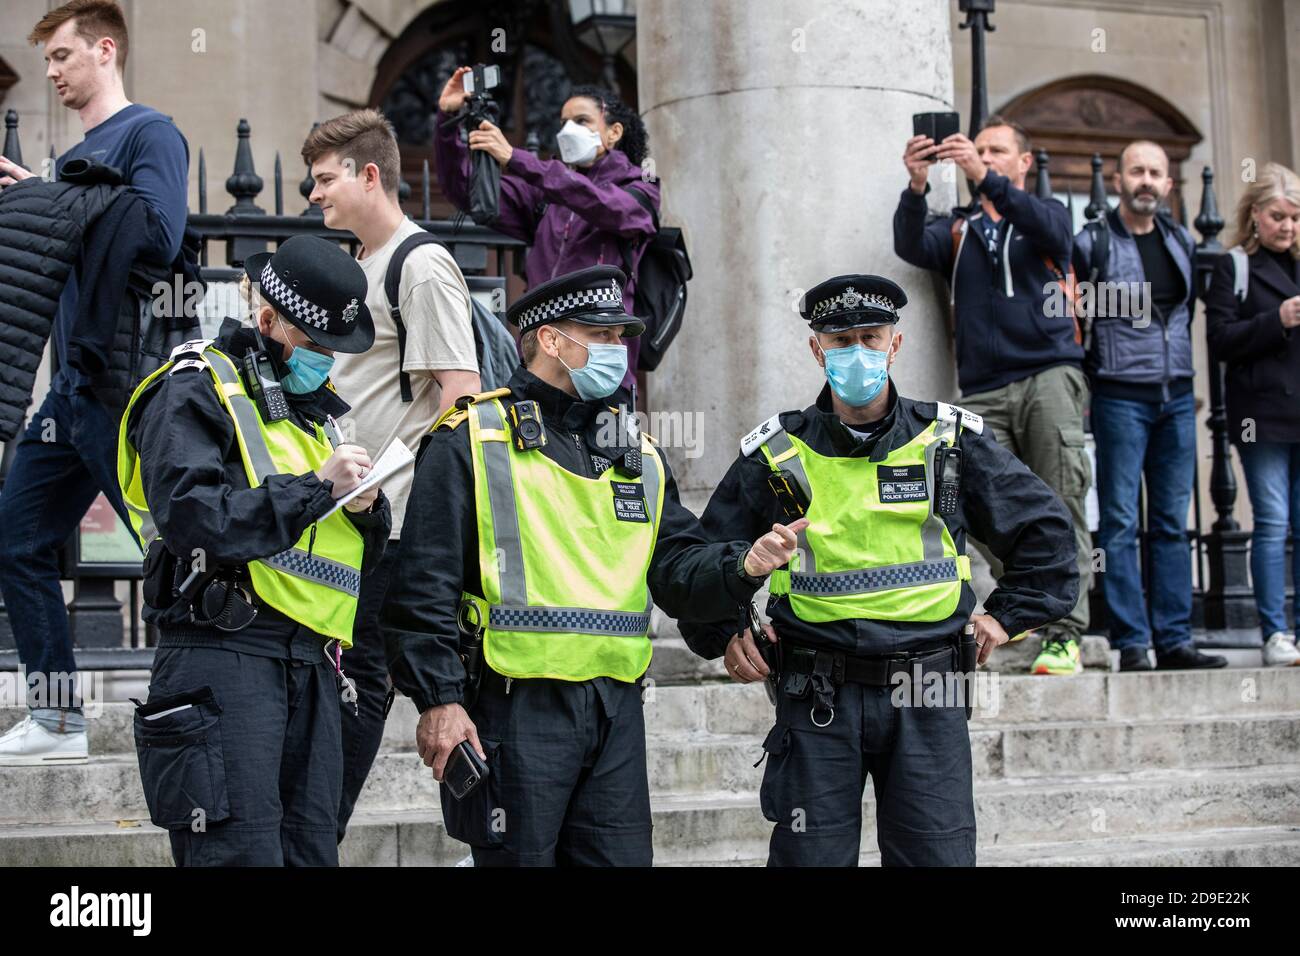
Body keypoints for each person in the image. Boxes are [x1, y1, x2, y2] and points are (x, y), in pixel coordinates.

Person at [382, 265, 804, 866]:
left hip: (615, 713)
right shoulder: (471, 437)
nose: (618, 353)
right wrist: (439, 702)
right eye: (602, 337)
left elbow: (679, 570)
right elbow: (422, 586)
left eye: (620, 338)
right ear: (552, 340)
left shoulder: (639, 455)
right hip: (513, 710)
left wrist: (743, 566)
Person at [680, 275, 1078, 867]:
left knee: (935, 858)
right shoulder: (776, 451)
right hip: (817, 691)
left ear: (895, 345)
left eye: (871, 338)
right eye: (840, 341)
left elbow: (1047, 535)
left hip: (930, 688)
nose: (856, 353)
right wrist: (725, 630)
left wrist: (1004, 617)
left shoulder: (948, 441)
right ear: (818, 350)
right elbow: (700, 561)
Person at [117, 236, 392, 866]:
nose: (328, 362)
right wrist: (315, 487)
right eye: (318, 345)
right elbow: (193, 518)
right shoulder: (192, 387)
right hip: (222, 654)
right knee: (237, 857)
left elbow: (343, 555)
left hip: (312, 663)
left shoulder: (310, 417)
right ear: (267, 320)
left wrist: (364, 509)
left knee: (310, 854)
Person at [0, 0, 189, 766]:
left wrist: (59, 195)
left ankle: (200, 705)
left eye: (63, 57)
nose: (52, 74)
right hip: (70, 391)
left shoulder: (151, 133)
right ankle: (56, 719)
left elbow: (159, 232)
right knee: (15, 540)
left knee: (173, 547)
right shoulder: (76, 156)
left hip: (124, 389)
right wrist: (40, 199)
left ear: (104, 51)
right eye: (45, 61)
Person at [301, 109, 481, 842]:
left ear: (370, 174)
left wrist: (425, 512)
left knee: (364, 677)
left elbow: (460, 395)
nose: (314, 194)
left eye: (325, 178)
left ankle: (317, 836)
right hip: (358, 515)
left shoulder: (420, 262)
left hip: (397, 518)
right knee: (361, 676)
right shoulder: (365, 264)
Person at [893, 113, 1091, 676]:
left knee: (1062, 498)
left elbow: (1057, 238)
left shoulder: (1043, 215)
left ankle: (1066, 633)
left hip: (1049, 374)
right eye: (977, 149)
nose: (982, 156)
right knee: (969, 501)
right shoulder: (959, 228)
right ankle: (1030, 602)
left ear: (1023, 162)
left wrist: (986, 177)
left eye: (997, 150)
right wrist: (915, 185)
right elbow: (910, 244)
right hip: (982, 388)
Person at [1072, 141, 1225, 671]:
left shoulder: (1181, 239)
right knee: (1117, 521)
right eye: (1136, 170)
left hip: (1177, 395)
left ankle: (1175, 638)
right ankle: (1132, 641)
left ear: (1166, 184)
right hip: (1119, 394)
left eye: (1155, 173)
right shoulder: (1093, 242)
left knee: (1168, 520)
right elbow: (1072, 315)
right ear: (1118, 180)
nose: (1146, 180)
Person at [434, 69, 657, 385]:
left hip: (600, 370)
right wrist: (448, 120)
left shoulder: (641, 189)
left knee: (607, 435)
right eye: (563, 122)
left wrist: (516, 159)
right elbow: (465, 189)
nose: (568, 130)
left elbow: (602, 204)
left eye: (581, 121)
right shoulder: (545, 196)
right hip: (539, 366)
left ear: (614, 132)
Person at [1205, 161, 1300, 667]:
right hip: (1262, 418)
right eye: (1278, 216)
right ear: (1256, 215)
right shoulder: (1234, 266)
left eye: (1295, 218)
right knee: (1272, 522)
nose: (1287, 227)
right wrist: (1276, 320)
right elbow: (1220, 340)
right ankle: (1275, 631)